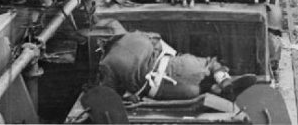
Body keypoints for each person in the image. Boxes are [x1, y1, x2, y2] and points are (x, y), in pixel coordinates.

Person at [98, 30, 257, 102]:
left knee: (198, 91)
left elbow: (109, 93)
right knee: (210, 63)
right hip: (177, 65)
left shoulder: (106, 63)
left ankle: (213, 91)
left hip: (164, 89)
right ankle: (223, 80)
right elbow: (157, 39)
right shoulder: (135, 35)